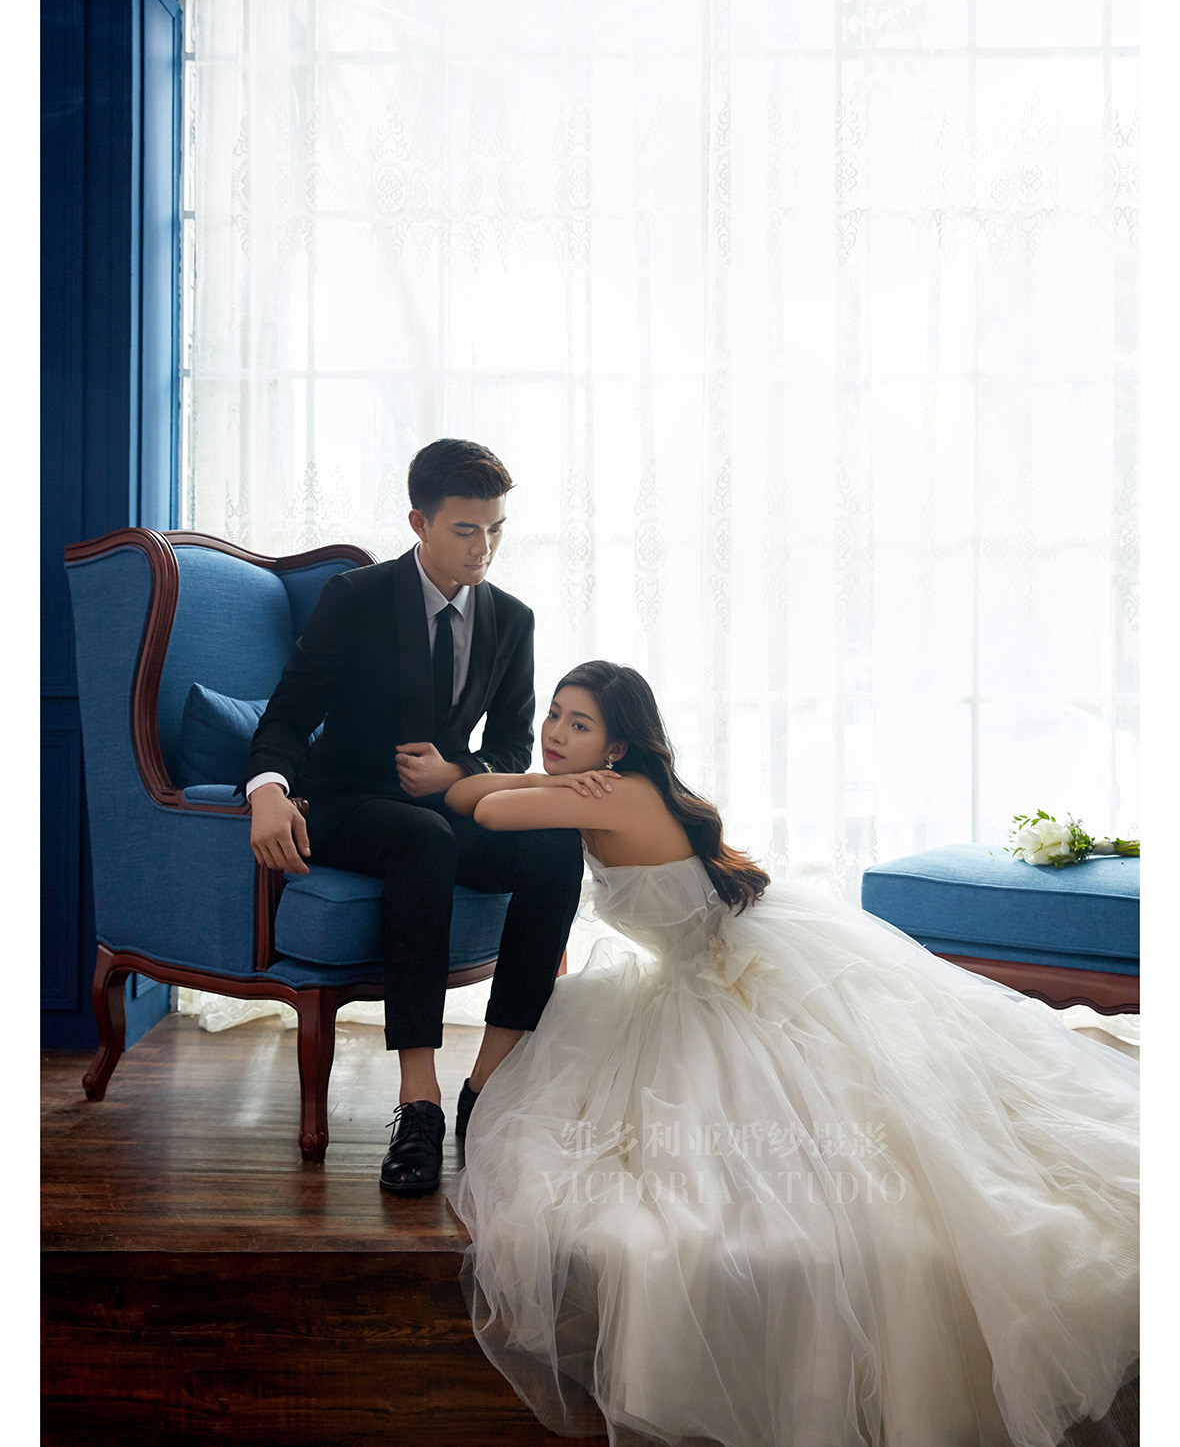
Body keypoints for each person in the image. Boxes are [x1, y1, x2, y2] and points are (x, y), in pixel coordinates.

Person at [444, 661, 1138, 1447]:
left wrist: (508, 779)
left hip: (728, 977)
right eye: (554, 715)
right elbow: (482, 800)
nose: (555, 733)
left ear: (619, 745)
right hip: (711, 963)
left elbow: (487, 809)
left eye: (580, 724)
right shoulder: (605, 786)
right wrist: (536, 778)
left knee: (829, 1131)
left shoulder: (615, 792)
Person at [243, 439, 584, 1195]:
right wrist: (266, 789)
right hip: (345, 803)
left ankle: (487, 1084)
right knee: (422, 837)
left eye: (496, 529)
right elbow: (288, 716)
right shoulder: (355, 598)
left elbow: (509, 747)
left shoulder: (512, 620)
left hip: (442, 805)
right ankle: (419, 1100)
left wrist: (458, 774)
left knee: (556, 843)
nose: (484, 547)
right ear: (419, 522)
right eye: (466, 529)